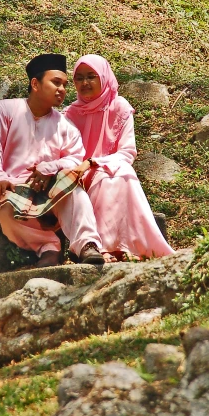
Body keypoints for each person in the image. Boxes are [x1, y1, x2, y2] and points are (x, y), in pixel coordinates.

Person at [0, 53, 104, 266]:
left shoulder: (65, 126)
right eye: (56, 82)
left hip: (50, 191)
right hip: (12, 186)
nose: (62, 89)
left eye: (65, 84)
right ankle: (49, 247)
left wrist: (50, 168)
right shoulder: (5, 110)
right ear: (35, 84)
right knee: (3, 209)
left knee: (75, 190)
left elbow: (75, 159)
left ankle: (86, 245)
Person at [65, 54, 174, 262]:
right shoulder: (70, 113)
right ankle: (104, 247)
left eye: (91, 77)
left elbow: (127, 152)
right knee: (105, 179)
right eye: (79, 78)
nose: (85, 83)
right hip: (80, 174)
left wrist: (94, 163)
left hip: (109, 167)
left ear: (103, 77)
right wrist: (81, 167)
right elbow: (67, 152)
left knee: (121, 174)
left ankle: (124, 247)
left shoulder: (119, 106)